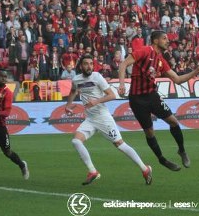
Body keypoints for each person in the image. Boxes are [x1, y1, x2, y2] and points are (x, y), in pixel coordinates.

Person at [118, 30, 199, 171]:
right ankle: (162, 159)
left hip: (152, 96)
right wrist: (122, 84)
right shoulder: (144, 51)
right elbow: (123, 65)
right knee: (149, 132)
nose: (167, 41)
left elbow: (177, 79)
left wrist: (196, 71)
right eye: (164, 38)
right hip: (137, 100)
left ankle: (182, 150)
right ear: (155, 40)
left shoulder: (160, 60)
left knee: (173, 121)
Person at [66, 55, 153, 185]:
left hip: (103, 117)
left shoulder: (97, 77)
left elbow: (112, 95)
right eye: (86, 64)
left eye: (91, 63)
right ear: (81, 66)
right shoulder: (76, 79)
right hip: (90, 118)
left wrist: (96, 101)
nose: (89, 66)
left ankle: (145, 169)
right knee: (76, 141)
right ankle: (93, 171)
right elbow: (73, 91)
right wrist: (68, 105)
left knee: (119, 144)